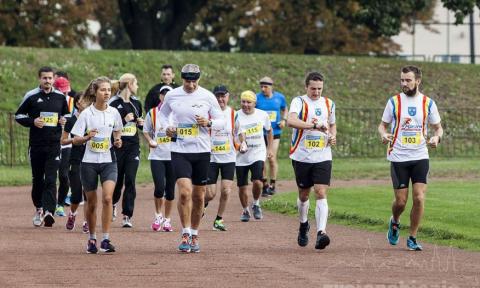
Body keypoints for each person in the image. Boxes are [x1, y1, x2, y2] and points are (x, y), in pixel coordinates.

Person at [159, 64, 225, 253]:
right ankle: (185, 233)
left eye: (194, 81)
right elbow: (162, 117)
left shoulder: (207, 96)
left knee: (198, 196)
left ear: (199, 79)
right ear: (182, 79)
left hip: (202, 151)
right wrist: (167, 128)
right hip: (180, 149)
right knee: (186, 192)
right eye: (187, 81)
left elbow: (222, 121)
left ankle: (195, 234)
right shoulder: (173, 95)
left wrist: (209, 122)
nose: (191, 85)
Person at [378, 65, 443, 251]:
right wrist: (383, 135)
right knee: (400, 202)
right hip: (398, 156)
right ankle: (395, 221)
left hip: (420, 155)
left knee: (420, 198)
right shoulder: (394, 102)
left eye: (408, 80)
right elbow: (382, 125)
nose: (404, 83)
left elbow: (438, 128)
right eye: (402, 80)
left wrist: (436, 138)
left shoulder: (428, 103)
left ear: (418, 81)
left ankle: (413, 237)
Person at [71, 76, 123, 254]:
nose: (107, 93)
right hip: (89, 163)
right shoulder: (87, 113)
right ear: (95, 92)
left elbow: (117, 131)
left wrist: (117, 141)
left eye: (109, 90)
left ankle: (106, 239)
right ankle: (92, 238)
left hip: (109, 161)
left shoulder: (114, 112)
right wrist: (86, 137)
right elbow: (75, 139)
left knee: (108, 198)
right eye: (103, 90)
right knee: (92, 203)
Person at [287, 71, 336, 250]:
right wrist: (314, 125)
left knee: (321, 192)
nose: (316, 92)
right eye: (313, 89)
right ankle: (303, 224)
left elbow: (332, 124)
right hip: (301, 155)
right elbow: (291, 121)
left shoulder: (329, 103)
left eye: (319, 89)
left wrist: (333, 136)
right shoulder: (299, 101)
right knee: (304, 194)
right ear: (306, 87)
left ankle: (321, 233)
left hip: (322, 155)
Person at [15, 66, 69, 228]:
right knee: (38, 180)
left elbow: (66, 115)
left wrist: (64, 121)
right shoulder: (31, 96)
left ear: (53, 79)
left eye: (50, 78)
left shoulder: (60, 97)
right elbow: (19, 115)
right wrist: (33, 121)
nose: (47, 81)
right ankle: (39, 208)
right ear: (39, 79)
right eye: (44, 78)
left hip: (54, 144)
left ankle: (48, 212)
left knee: (51, 179)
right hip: (37, 145)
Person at [109, 73, 144, 228]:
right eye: (136, 83)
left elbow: (139, 125)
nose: (137, 86)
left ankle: (127, 215)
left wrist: (141, 123)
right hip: (117, 146)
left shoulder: (137, 103)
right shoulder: (113, 103)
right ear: (129, 84)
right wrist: (124, 120)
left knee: (130, 179)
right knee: (117, 181)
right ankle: (113, 203)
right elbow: (107, 125)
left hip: (132, 147)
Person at [234, 90, 273, 223]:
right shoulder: (235, 116)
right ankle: (245, 210)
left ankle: (256, 203)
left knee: (257, 181)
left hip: (258, 153)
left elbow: (269, 130)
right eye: (243, 101)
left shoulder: (262, 115)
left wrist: (270, 148)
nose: (246, 104)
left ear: (254, 103)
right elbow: (234, 133)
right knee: (242, 187)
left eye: (249, 102)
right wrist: (239, 144)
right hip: (240, 156)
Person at [142, 85, 175, 232]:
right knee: (159, 187)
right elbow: (146, 131)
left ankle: (167, 219)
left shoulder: (177, 113)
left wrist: (176, 135)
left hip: (173, 155)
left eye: (168, 94)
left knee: (170, 190)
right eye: (163, 94)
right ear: (160, 96)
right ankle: (158, 216)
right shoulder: (152, 113)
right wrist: (150, 141)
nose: (165, 96)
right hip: (157, 155)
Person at [204, 85, 237, 231]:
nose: (220, 99)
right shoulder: (208, 115)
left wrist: (242, 143)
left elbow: (239, 133)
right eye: (217, 96)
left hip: (229, 157)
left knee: (226, 190)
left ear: (228, 96)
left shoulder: (233, 114)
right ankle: (202, 204)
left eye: (223, 96)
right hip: (211, 158)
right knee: (210, 194)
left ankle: (218, 219)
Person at [61, 92, 90, 233]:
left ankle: (86, 221)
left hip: (91, 159)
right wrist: (77, 140)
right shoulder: (72, 120)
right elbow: (63, 140)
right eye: (84, 101)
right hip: (76, 159)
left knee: (89, 193)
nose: (87, 103)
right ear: (78, 104)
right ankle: (72, 214)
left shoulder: (93, 118)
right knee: (77, 194)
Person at [255, 76, 287, 196]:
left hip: (275, 133)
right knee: (262, 160)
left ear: (271, 87)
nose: (263, 89)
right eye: (261, 86)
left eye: (266, 87)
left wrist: (284, 119)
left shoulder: (280, 97)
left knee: (272, 158)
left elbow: (285, 109)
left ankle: (273, 184)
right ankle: (265, 185)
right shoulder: (257, 98)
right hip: (261, 133)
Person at [53, 76, 75, 217]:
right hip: (51, 142)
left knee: (64, 175)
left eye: (66, 91)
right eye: (62, 91)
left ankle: (60, 204)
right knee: (48, 176)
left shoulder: (72, 102)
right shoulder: (51, 100)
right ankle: (47, 204)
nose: (65, 94)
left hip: (66, 143)